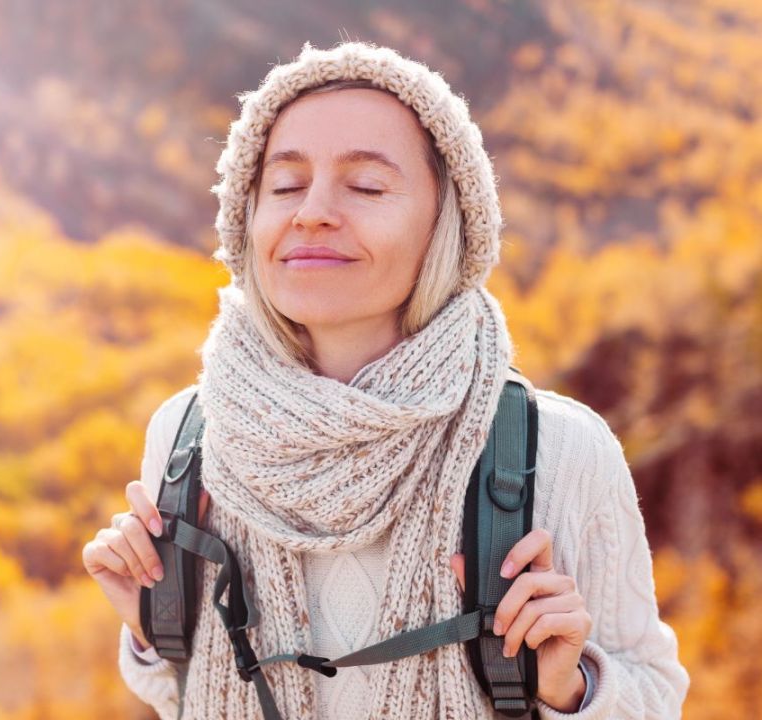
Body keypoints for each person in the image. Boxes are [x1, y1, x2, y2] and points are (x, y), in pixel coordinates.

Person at [82, 40, 689, 719]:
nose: (311, 211)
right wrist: (158, 629)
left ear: (444, 224)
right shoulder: (190, 438)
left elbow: (654, 694)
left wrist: (569, 686)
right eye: (283, 186)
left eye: (366, 186)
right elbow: (194, 693)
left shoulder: (560, 450)